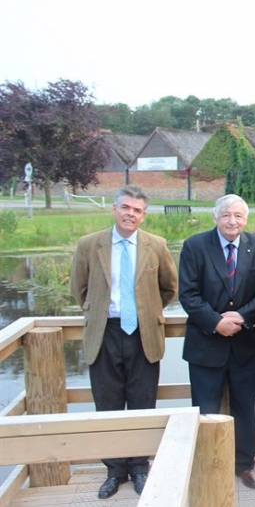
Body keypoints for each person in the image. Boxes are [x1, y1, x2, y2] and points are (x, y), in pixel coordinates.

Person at [69, 185, 178, 499]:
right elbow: (79, 289)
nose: (131, 214)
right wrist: (102, 311)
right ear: (114, 209)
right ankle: (115, 471)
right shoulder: (90, 245)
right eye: (126, 208)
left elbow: (169, 288)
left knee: (143, 403)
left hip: (143, 333)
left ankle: (139, 467)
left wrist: (145, 310)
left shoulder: (155, 246)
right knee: (108, 404)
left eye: (137, 210)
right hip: (105, 332)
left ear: (143, 215)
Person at [179, 194, 255, 490]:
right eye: (226, 215)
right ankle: (206, 466)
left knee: (245, 406)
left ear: (246, 219)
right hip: (206, 343)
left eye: (238, 216)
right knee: (205, 410)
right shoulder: (195, 246)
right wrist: (216, 322)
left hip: (244, 344)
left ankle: (245, 465)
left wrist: (242, 317)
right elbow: (188, 294)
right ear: (214, 217)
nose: (232, 221)